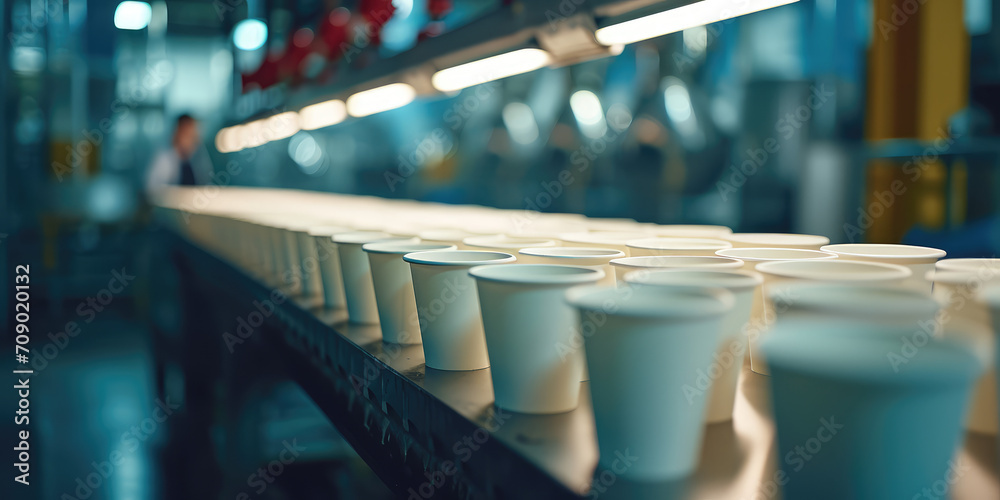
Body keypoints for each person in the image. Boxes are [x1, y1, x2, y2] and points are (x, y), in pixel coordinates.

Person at [145, 114, 212, 196]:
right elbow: (152, 191)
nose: (193, 141)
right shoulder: (165, 160)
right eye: (188, 136)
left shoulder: (195, 160)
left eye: (194, 136)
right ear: (178, 134)